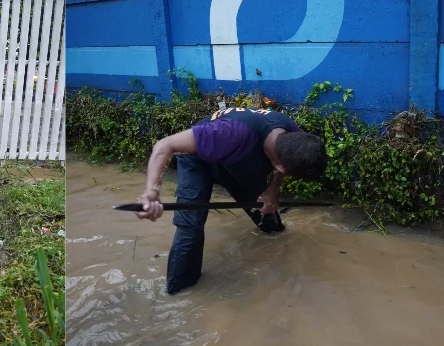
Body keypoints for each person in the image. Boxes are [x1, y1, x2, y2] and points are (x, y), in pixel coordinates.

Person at [134, 106, 328, 295]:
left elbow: (282, 164)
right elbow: (164, 145)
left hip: (239, 164)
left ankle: (270, 226)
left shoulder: (292, 135)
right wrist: (152, 191)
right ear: (280, 166)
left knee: (269, 218)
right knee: (190, 227)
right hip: (198, 161)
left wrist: (272, 191)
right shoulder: (229, 132)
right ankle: (180, 295)